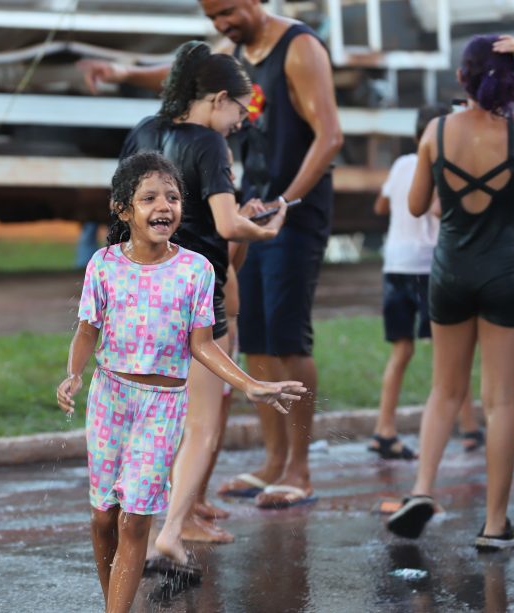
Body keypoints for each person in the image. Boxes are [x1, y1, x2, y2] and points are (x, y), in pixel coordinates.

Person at [80, 0, 343, 510]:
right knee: (260, 338)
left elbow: (329, 136)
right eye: (212, 16)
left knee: (290, 337)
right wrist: (123, 72)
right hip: (251, 208)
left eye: (226, 10)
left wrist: (286, 201)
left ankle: (299, 470)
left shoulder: (299, 47)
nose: (221, 23)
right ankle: (271, 461)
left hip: (293, 210)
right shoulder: (238, 47)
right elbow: (184, 75)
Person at [56, 152, 304, 613]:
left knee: (135, 521)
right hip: (110, 399)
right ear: (123, 209)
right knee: (103, 517)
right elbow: (87, 330)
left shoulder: (196, 270)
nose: (163, 206)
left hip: (163, 405)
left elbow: (204, 345)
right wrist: (73, 374)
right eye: (149, 198)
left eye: (172, 197)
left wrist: (248, 384)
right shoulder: (104, 265)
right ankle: (112, 598)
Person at [385, 35, 514, 550]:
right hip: (506, 274)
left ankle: (422, 489)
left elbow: (416, 203)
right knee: (501, 404)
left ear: (461, 79)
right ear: (510, 79)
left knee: (445, 392)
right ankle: (496, 525)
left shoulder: (436, 130)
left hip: (450, 273)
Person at [119, 41, 287, 553]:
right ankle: (171, 531)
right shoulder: (209, 144)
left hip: (141, 289)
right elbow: (223, 225)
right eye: (240, 109)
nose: (240, 121)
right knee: (202, 425)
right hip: (194, 295)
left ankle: (142, 531)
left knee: (153, 417)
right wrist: (264, 228)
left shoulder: (144, 130)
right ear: (218, 99)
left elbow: (124, 208)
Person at [370, 104, 482, 460]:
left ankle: (384, 429)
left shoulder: (402, 164)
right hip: (428, 266)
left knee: (401, 351)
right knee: (451, 351)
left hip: (395, 265)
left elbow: (380, 208)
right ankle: (468, 428)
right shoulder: (443, 165)